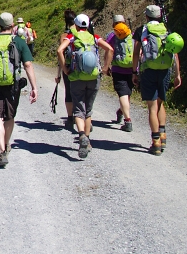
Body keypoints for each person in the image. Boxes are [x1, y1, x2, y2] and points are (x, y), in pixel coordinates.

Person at [0, 12, 39, 167]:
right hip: (14, 86)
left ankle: (1, 151)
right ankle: (6, 145)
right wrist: (34, 87)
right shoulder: (18, 41)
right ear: (13, 26)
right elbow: (28, 65)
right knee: (10, 116)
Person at [57, 14, 113, 159]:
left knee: (78, 108)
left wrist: (64, 69)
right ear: (87, 25)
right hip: (94, 77)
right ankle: (87, 140)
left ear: (75, 25)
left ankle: (81, 135)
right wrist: (105, 68)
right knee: (88, 110)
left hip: (76, 77)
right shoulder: (94, 37)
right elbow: (110, 49)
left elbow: (60, 50)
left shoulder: (71, 37)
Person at [132, 5, 182, 155]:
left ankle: (156, 143)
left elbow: (135, 53)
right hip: (165, 71)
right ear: (160, 16)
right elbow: (175, 53)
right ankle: (163, 135)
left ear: (146, 16)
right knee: (160, 103)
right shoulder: (167, 30)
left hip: (149, 71)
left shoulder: (142, 30)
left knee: (152, 107)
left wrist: (134, 72)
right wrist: (178, 74)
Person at [105, 15, 135, 132]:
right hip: (131, 69)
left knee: (122, 94)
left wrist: (106, 66)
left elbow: (108, 51)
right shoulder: (131, 34)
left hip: (118, 69)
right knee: (127, 94)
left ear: (113, 24)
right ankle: (121, 111)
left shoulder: (112, 35)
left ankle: (127, 121)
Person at [55, 9, 78, 130]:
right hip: (81, 68)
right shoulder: (83, 34)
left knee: (69, 92)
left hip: (68, 68)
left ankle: (70, 118)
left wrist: (60, 72)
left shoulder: (64, 36)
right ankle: (83, 117)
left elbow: (61, 55)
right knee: (81, 92)